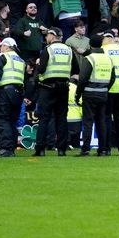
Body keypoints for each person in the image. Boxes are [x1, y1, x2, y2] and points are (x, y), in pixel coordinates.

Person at [33, 28, 76, 156]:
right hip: (63, 87)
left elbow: (41, 69)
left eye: (47, 36)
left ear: (52, 36)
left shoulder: (48, 49)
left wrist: (37, 64)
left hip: (48, 87)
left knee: (44, 118)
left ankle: (40, 149)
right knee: (61, 118)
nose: (46, 38)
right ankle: (62, 149)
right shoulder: (69, 50)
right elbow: (76, 68)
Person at [0, 37, 25, 157]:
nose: (0, 48)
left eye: (2, 46)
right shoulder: (21, 60)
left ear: (7, 46)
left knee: (3, 120)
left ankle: (5, 148)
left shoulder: (2, 57)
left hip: (5, 92)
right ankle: (11, 147)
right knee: (12, 121)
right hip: (18, 93)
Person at [78, 36, 115, 156]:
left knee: (88, 122)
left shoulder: (89, 58)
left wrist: (78, 93)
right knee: (101, 121)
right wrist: (105, 88)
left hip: (89, 93)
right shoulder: (108, 59)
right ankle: (103, 149)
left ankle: (86, 149)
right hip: (103, 94)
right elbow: (113, 78)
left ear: (90, 44)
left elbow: (83, 78)